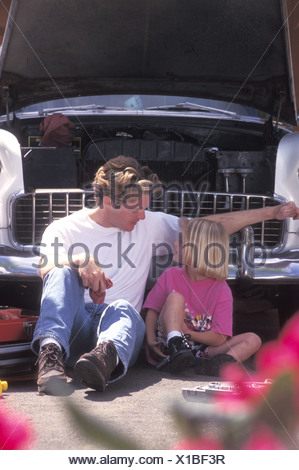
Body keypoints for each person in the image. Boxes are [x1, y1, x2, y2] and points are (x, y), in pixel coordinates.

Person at [31, 155, 299, 395]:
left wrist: (272, 213)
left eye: (145, 208)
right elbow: (45, 268)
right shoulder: (64, 229)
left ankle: (101, 362)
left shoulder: (148, 224)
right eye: (136, 208)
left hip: (118, 330)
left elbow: (206, 228)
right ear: (108, 201)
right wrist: (81, 260)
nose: (143, 216)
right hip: (74, 326)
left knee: (124, 308)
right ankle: (50, 358)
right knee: (60, 271)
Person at [143, 217, 262, 376]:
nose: (175, 244)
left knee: (253, 340)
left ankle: (217, 365)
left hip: (202, 350)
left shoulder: (221, 289)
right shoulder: (170, 275)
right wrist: (150, 341)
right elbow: (152, 311)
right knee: (175, 298)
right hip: (168, 345)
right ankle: (176, 346)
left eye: (181, 241)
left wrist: (188, 332)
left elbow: (220, 338)